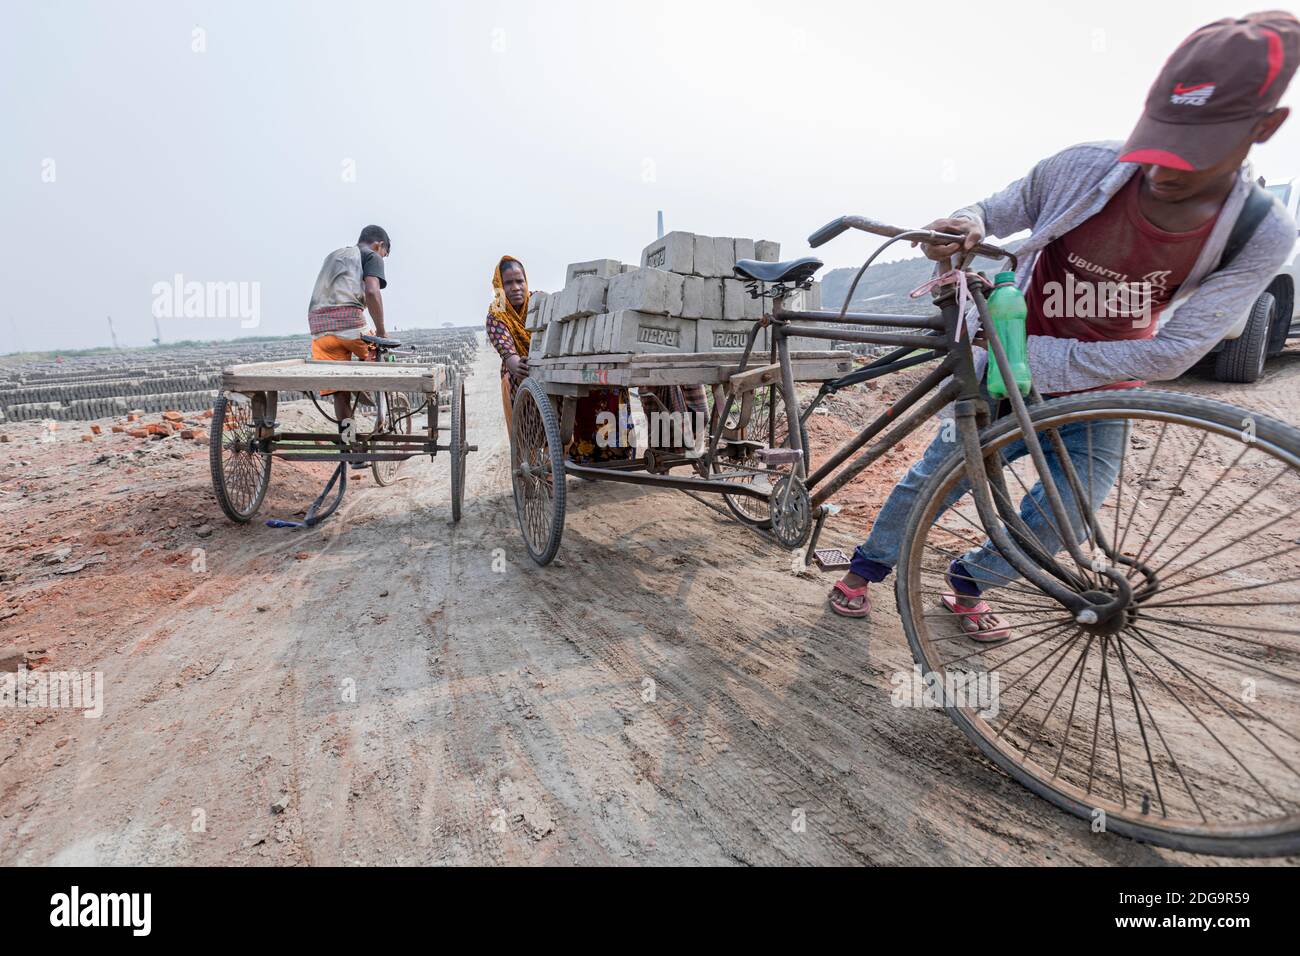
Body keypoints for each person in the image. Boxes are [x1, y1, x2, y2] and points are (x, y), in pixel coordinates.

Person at [828, 11, 1299, 638]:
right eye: (1158, 140)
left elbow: (1177, 351)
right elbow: (992, 210)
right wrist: (964, 224)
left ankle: (969, 583)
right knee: (939, 480)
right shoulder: (1085, 166)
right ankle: (864, 571)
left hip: (1105, 384)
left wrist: (1042, 362)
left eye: (1195, 152)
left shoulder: (1259, 233)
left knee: (1067, 513)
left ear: (1265, 128)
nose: (1162, 170)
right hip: (1002, 369)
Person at [486, 256, 635, 461]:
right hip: (521, 370)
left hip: (551, 364)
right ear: (499, 287)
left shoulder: (540, 302)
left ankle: (600, 453)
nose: (515, 287)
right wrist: (514, 362)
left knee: (597, 380)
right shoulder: (497, 314)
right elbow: (505, 347)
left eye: (519, 281)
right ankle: (532, 455)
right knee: (522, 384)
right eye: (508, 283)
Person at [307, 225, 391, 446]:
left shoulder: (334, 256)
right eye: (385, 254)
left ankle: (350, 446)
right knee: (378, 352)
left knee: (339, 391)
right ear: (379, 245)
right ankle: (367, 390)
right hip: (350, 324)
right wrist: (381, 331)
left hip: (318, 328)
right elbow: (372, 291)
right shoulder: (371, 255)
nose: (382, 258)